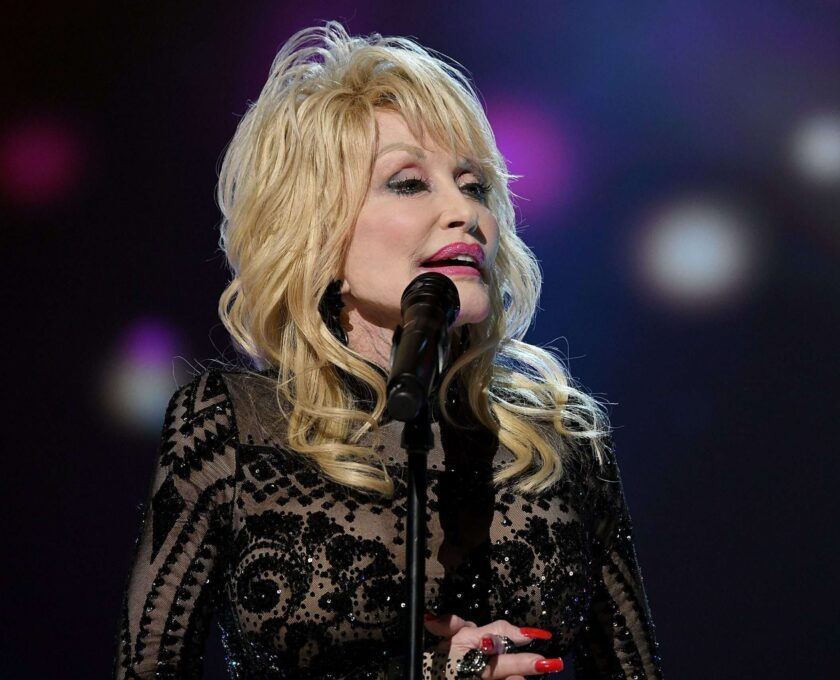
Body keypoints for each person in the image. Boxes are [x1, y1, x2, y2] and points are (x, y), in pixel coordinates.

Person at [114, 21, 662, 680]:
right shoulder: (232, 428)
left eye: (474, 184)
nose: (465, 211)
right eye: (408, 182)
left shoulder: (559, 433)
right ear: (319, 233)